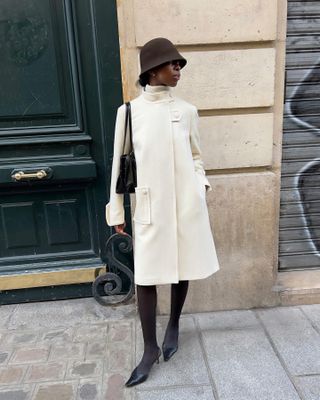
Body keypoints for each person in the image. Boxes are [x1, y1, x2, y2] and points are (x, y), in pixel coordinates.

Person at [105, 37, 220, 387]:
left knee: (181, 267)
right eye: (172, 64)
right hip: (149, 205)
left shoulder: (187, 111)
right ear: (152, 69)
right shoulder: (129, 112)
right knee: (147, 277)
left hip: (186, 204)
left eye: (180, 65)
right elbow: (117, 165)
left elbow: (197, 155)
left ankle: (174, 326)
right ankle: (149, 349)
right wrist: (117, 210)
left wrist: (200, 185)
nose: (178, 69)